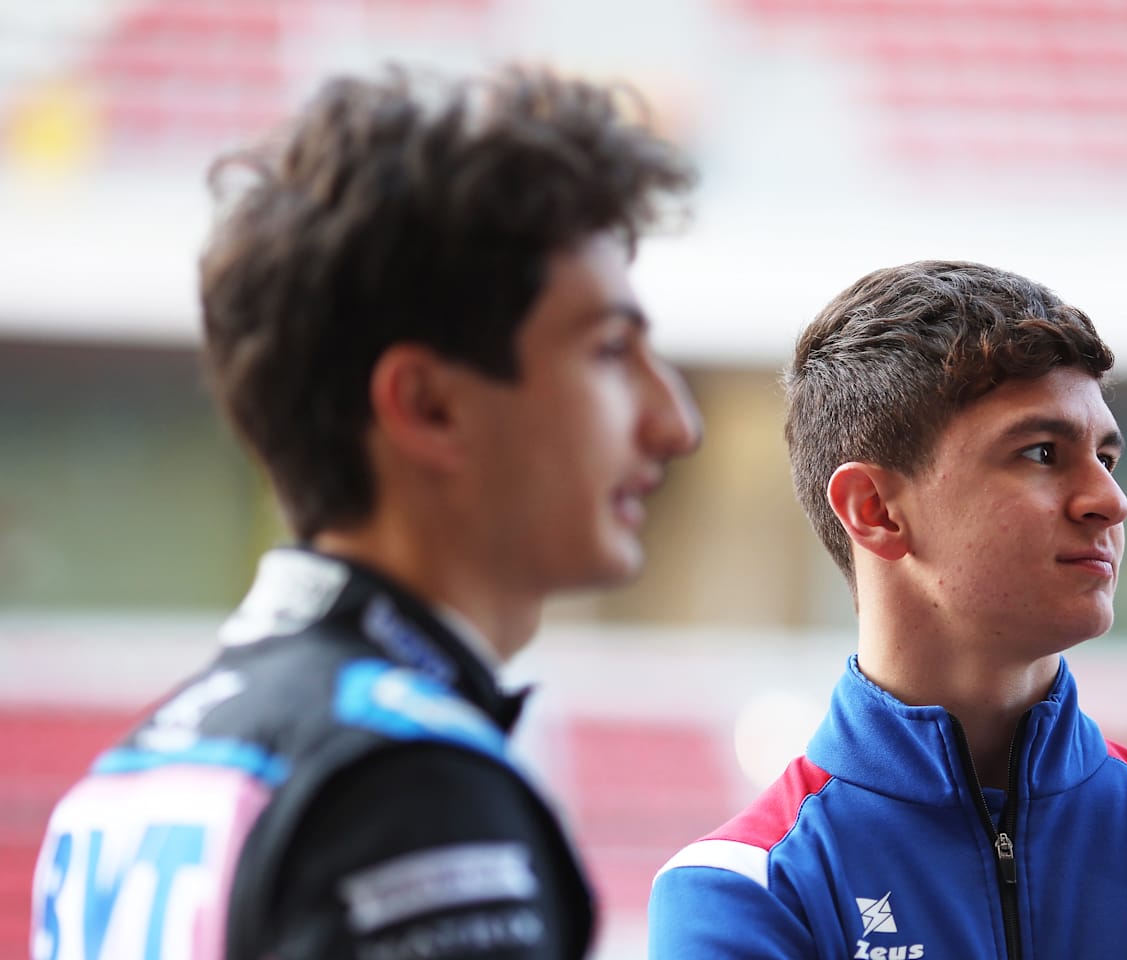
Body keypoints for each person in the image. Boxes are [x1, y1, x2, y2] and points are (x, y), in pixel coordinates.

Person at [31, 64, 700, 960]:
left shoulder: (133, 773)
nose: (674, 423)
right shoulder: (409, 784)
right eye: (611, 351)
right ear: (427, 407)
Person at [648, 260, 1127, 958]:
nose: (1110, 501)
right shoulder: (745, 891)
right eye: (1040, 453)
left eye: (1107, 458)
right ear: (876, 511)